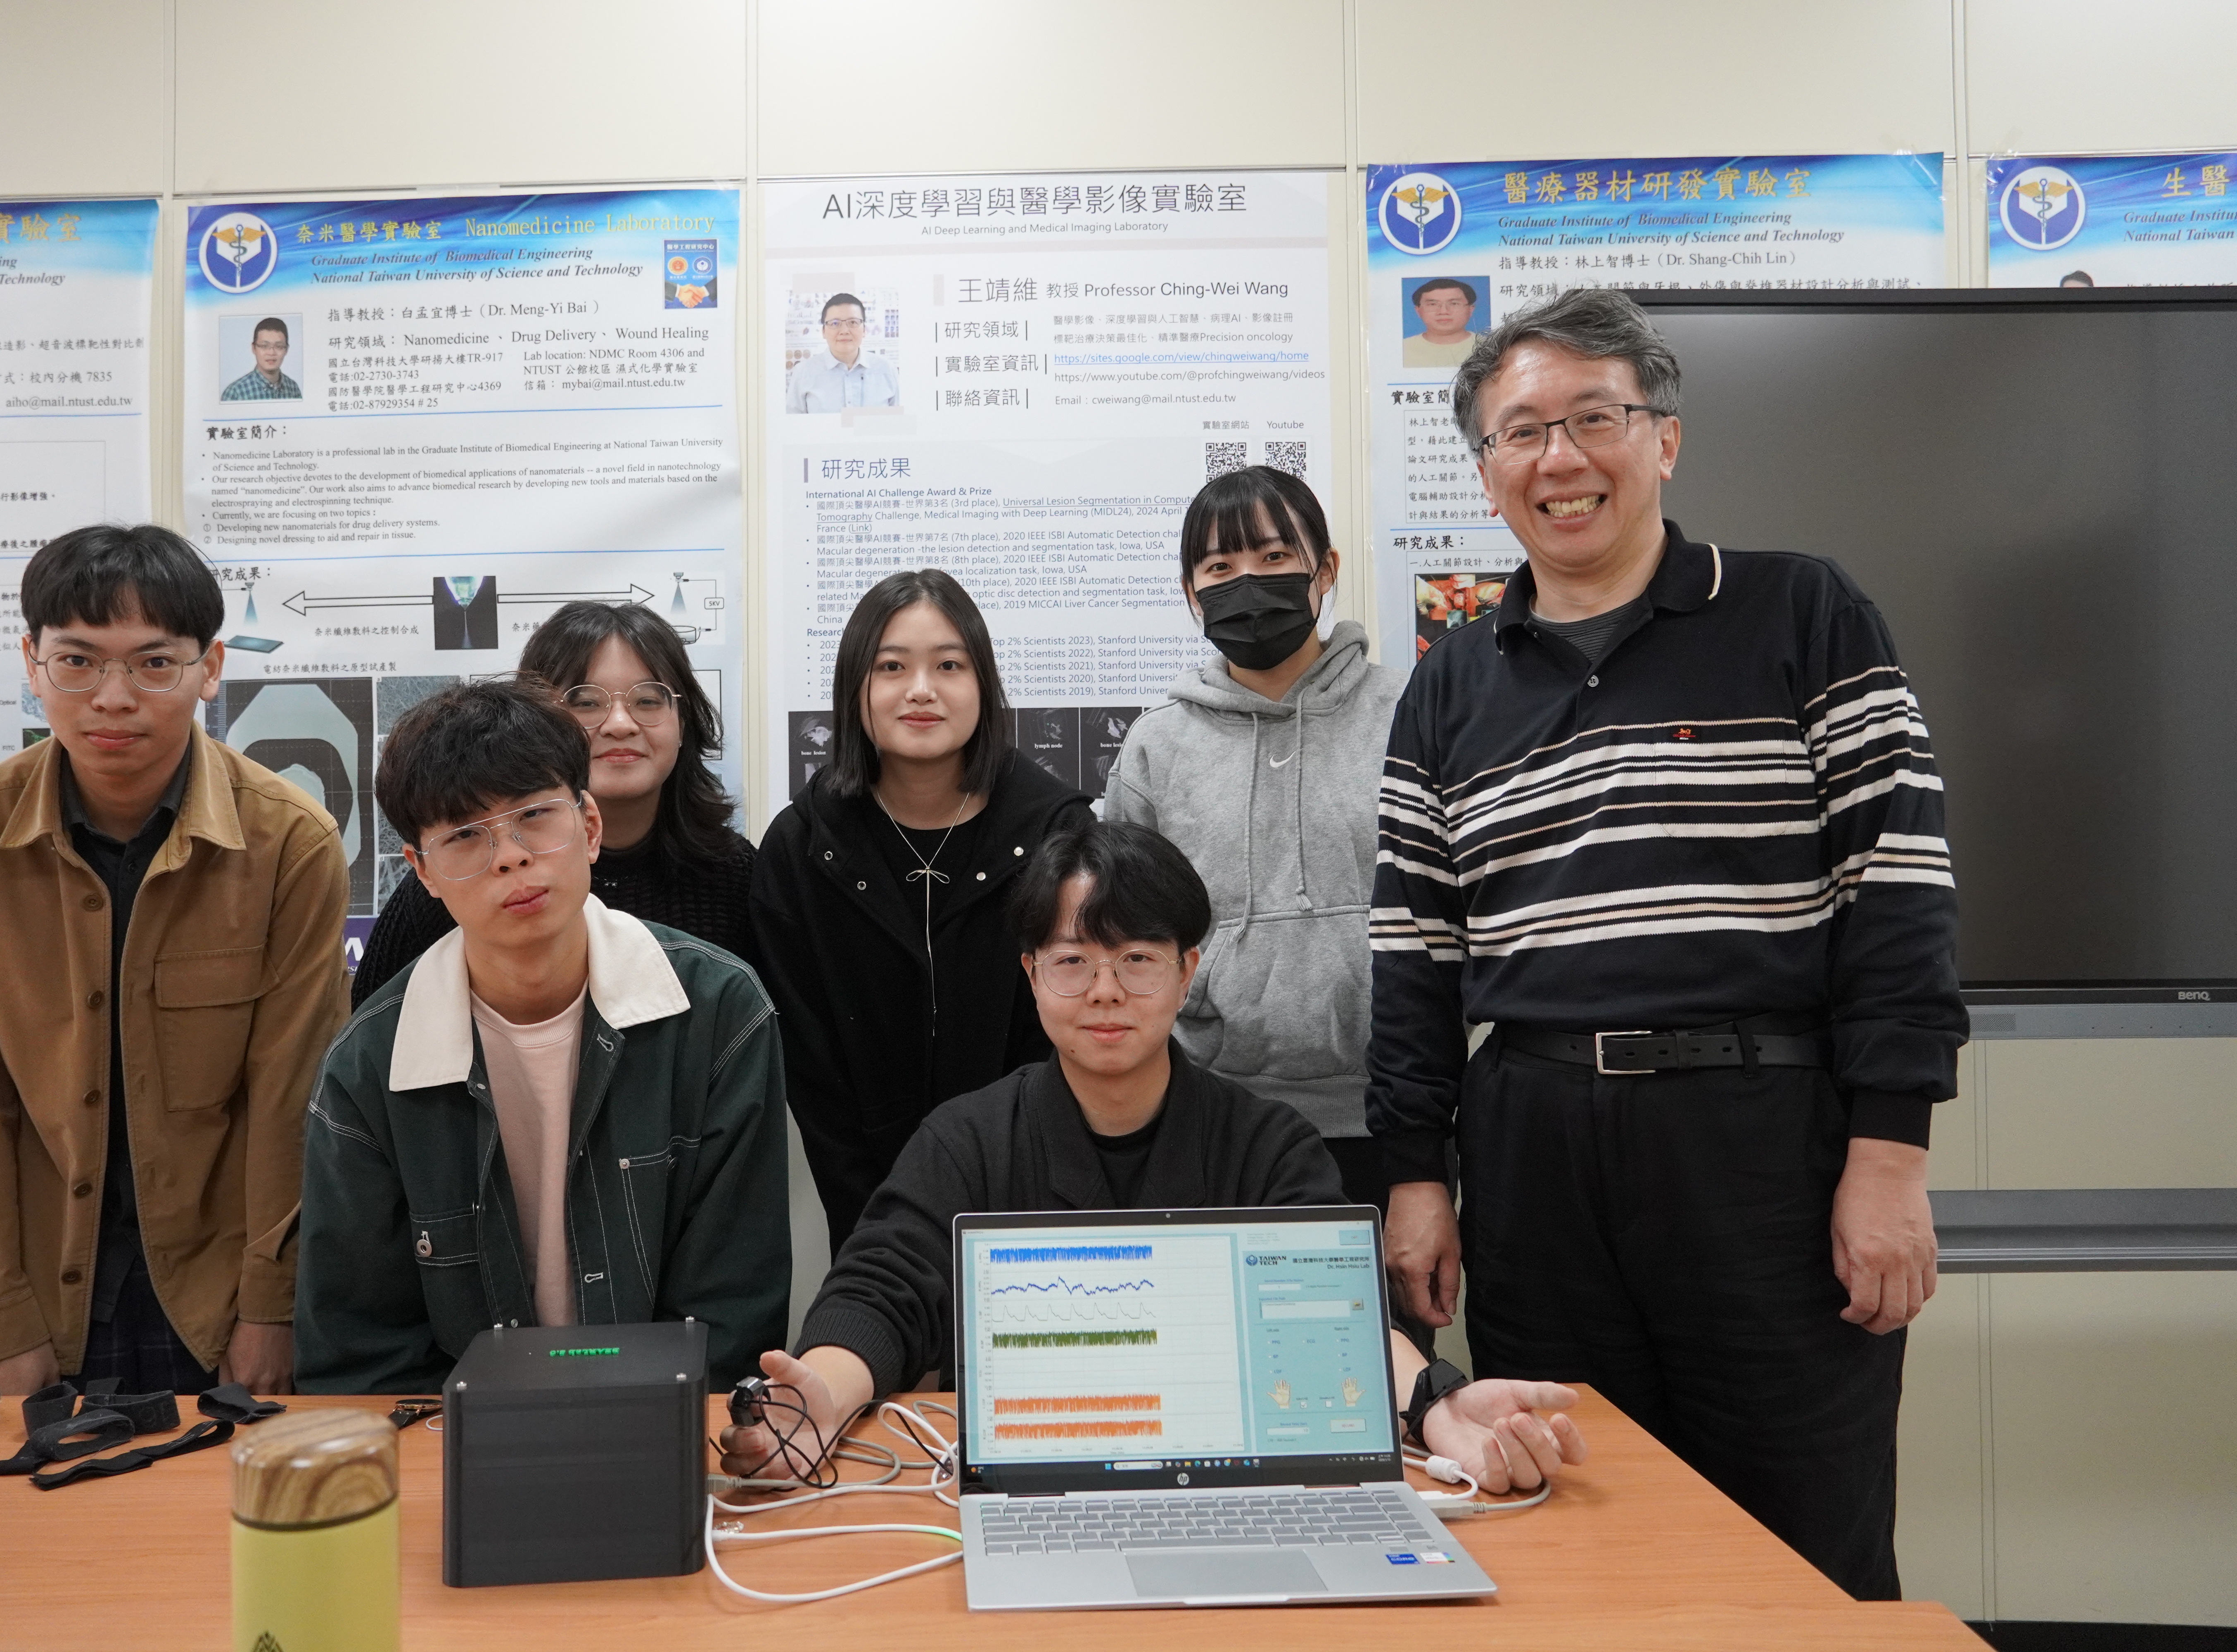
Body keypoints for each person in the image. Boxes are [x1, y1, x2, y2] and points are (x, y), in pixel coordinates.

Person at [1365, 286, 1965, 1598]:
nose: (1559, 459)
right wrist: (1416, 1175)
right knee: (1566, 1522)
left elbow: (1898, 887)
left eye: (1594, 418)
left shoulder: (1800, 613)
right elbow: (1413, 951)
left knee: (1805, 1532)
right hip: (1530, 1144)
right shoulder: (1451, 680)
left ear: (1664, 441)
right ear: (1483, 470)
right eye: (1520, 432)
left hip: (1763, 1138)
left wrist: (1887, 1152)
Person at [720, 819, 1588, 1495]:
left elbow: (1335, 1320)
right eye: (1073, 961)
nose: (1105, 990)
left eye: (1137, 959)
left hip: (1226, 1483)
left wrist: (1434, 1402)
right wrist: (821, 1398)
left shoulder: (1266, 1143)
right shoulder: (968, 1138)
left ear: (1187, 970)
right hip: (1030, 1486)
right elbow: (883, 1289)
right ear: (1030, 972)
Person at [0, 525, 349, 1396]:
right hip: (43, 1297)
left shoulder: (288, 841)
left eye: (152, 663)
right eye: (78, 660)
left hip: (219, 1297)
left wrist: (273, 1305)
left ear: (209, 668)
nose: (112, 697)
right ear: (31, 663)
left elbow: (293, 1092)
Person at [293, 678, 789, 1393]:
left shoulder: (717, 1013)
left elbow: (732, 1317)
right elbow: (360, 1356)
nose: (510, 858)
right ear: (422, 872)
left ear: (590, 826)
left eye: (534, 817)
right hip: (457, 1447)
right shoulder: (369, 1066)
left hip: (665, 1428)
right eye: (466, 835)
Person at [750, 569, 1092, 1253]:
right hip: (868, 1209)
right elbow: (810, 1069)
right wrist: (873, 1213)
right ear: (857, 689)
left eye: (949, 665)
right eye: (892, 667)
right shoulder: (800, 847)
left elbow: (1069, 1031)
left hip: (1032, 1199)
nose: (922, 689)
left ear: (983, 683)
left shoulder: (1060, 834)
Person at [1105, 467, 1411, 1219]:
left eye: (1276, 558)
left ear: (1325, 570)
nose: (1249, 582)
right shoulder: (1155, 746)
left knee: (1378, 1334)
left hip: (1389, 1116)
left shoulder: (1408, 716)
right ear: (1191, 592)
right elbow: (1121, 933)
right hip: (1206, 1117)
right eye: (1220, 567)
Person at [353, 600, 756, 1007]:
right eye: (585, 702)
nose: (620, 724)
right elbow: (373, 1034)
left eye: (648, 701)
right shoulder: (461, 876)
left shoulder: (738, 874)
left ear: (683, 721)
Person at [785, 292, 900, 413]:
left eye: (853, 322)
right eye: (835, 324)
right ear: (824, 331)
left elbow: (899, 424)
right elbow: (794, 426)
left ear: (864, 329)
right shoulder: (803, 373)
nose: (845, 331)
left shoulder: (887, 370)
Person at [1402, 278, 1481, 367]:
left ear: (1471, 310)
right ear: (1418, 311)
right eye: (1433, 305)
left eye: (1454, 304)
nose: (1444, 312)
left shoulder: (1489, 347)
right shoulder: (1402, 349)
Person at [222, 316, 301, 400]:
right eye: (264, 346)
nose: (272, 353)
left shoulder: (293, 388)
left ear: (286, 350)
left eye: (279, 347)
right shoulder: (236, 393)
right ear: (254, 348)